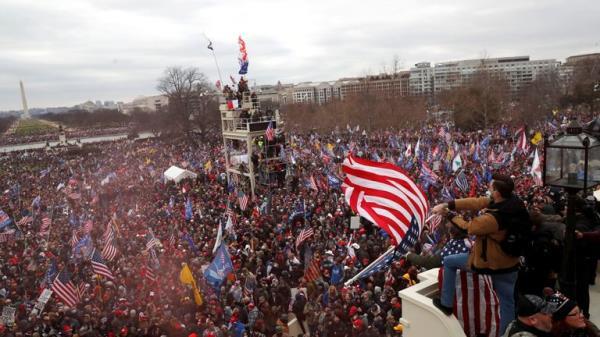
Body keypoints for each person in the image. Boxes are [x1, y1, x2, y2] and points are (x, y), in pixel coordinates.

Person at [432, 174, 524, 335]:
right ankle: (508, 333)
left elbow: (469, 228)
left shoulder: (492, 219)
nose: (488, 189)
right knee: (507, 302)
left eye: (490, 187)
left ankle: (446, 303)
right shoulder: (514, 203)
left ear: (496, 192)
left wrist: (448, 214)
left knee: (449, 261)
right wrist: (449, 204)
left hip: (491, 263)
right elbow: (476, 202)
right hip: (511, 261)